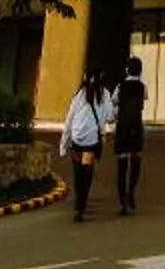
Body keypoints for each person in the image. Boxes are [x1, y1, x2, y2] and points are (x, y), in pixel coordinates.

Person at [61, 72, 114, 221]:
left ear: (85, 77)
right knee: (87, 171)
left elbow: (69, 119)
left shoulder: (79, 94)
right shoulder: (105, 94)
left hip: (77, 136)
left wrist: (63, 143)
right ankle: (81, 204)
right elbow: (110, 117)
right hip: (91, 138)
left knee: (77, 170)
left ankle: (78, 200)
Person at [111, 56, 149, 215]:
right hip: (136, 127)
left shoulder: (120, 86)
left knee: (122, 164)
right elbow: (145, 98)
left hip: (123, 127)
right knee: (136, 160)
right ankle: (131, 192)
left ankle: (122, 202)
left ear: (127, 69)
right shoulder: (143, 87)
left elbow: (114, 101)